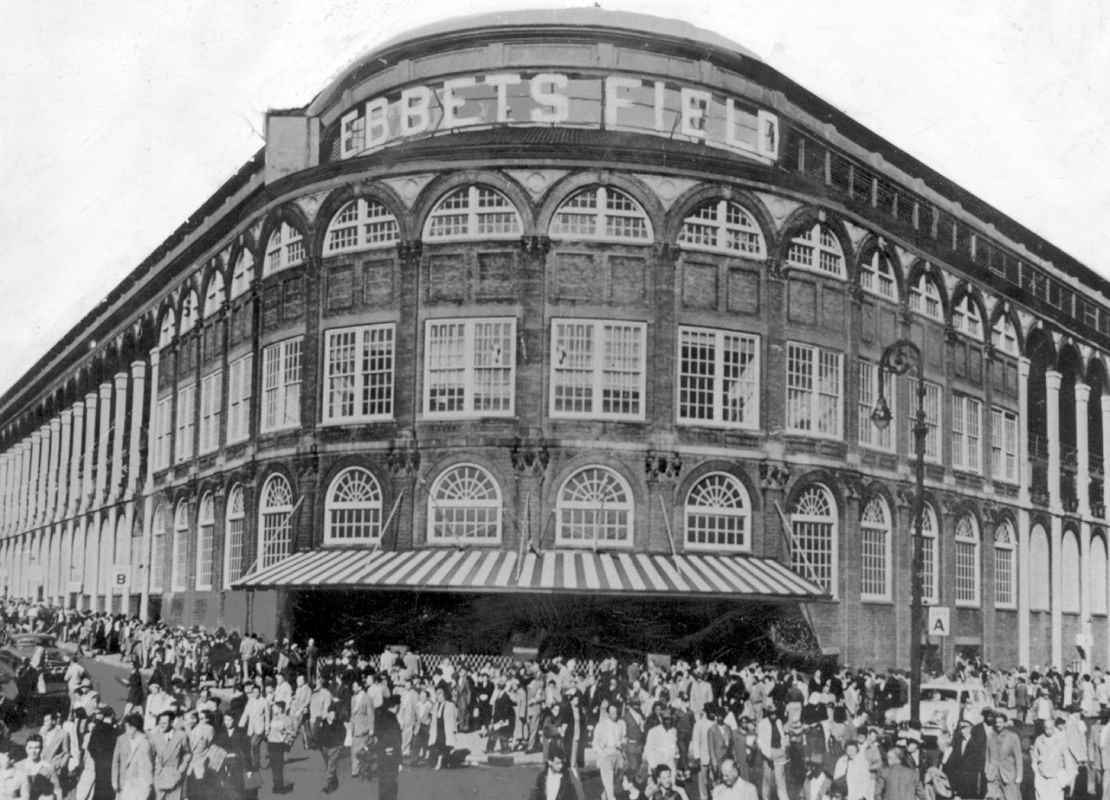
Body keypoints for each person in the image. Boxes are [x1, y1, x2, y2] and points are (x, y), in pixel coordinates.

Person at [111, 713, 154, 800]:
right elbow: (116, 761)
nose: (125, 730)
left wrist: (143, 795)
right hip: (127, 787)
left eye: (127, 727)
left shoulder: (144, 744)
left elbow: (146, 772)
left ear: (133, 728)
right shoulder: (123, 739)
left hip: (136, 790)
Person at [151, 710, 191, 800]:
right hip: (159, 777)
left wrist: (181, 769)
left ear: (172, 722)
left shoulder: (181, 735)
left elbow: (187, 753)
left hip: (175, 777)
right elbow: (150, 757)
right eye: (160, 723)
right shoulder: (155, 737)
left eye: (164, 723)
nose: (161, 725)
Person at [1032, 715, 1072, 800]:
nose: (1048, 731)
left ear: (1054, 727)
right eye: (1046, 728)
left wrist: (1068, 776)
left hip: (1056, 776)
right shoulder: (1039, 740)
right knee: (1042, 797)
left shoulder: (1060, 741)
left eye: (1050, 728)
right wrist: (1036, 771)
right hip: (1042, 775)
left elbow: (1067, 759)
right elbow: (1034, 756)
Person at [985, 711, 1023, 800]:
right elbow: (988, 755)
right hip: (993, 773)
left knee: (1011, 797)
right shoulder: (990, 736)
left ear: (1005, 723)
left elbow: (1018, 758)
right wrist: (987, 769)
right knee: (993, 797)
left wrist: (1019, 776)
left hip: (1008, 773)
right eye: (996, 722)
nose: (998, 725)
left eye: (1000, 723)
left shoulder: (1013, 737)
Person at [593, 702, 626, 800]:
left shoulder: (621, 724)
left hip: (617, 753)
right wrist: (600, 754)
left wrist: (621, 743)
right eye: (612, 714)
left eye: (616, 713)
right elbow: (595, 742)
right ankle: (611, 798)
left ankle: (604, 796)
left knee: (613, 780)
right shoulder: (601, 725)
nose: (615, 715)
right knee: (608, 778)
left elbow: (624, 738)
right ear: (608, 714)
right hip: (606, 753)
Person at [376, 695, 403, 800]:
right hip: (391, 757)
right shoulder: (392, 720)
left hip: (382, 756)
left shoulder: (381, 718)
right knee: (391, 785)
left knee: (383, 783)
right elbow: (397, 741)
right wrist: (400, 761)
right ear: (396, 706)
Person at [19, 733, 61, 800]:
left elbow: (57, 790)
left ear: (41, 749)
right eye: (30, 748)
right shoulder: (19, 766)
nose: (33, 751)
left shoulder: (48, 767)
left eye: (36, 748)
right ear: (26, 748)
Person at [265, 700, 294, 794]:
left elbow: (291, 733)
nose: (273, 709)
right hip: (271, 744)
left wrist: (284, 742)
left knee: (279, 766)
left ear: (280, 709)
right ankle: (276, 785)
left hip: (279, 745)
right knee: (273, 766)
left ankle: (280, 786)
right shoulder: (274, 718)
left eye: (275, 707)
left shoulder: (287, 719)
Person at [315, 703, 345, 794]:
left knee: (330, 767)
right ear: (327, 714)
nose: (333, 716)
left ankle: (328, 787)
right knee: (328, 766)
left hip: (334, 748)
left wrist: (340, 744)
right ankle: (334, 782)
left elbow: (343, 733)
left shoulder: (338, 723)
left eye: (334, 714)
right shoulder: (322, 722)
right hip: (325, 747)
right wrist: (320, 745)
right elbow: (318, 734)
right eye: (331, 714)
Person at [428, 686, 457, 770]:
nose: (438, 696)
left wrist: (454, 731)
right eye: (437, 694)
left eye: (440, 694)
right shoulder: (436, 705)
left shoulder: (450, 705)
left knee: (444, 746)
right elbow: (433, 718)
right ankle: (443, 762)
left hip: (446, 730)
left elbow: (454, 718)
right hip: (437, 730)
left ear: (444, 695)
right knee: (439, 746)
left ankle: (440, 763)